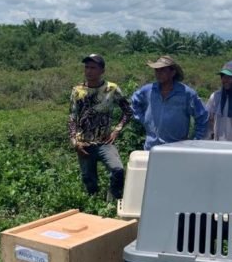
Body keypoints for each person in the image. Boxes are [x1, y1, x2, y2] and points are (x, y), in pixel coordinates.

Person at [68, 54, 133, 201]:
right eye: (87, 67)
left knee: (118, 170)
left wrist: (116, 130)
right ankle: (93, 207)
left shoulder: (111, 89)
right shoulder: (77, 90)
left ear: (102, 70)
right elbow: (72, 117)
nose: (89, 71)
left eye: (93, 68)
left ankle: (113, 201)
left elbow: (128, 111)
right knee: (89, 180)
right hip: (83, 143)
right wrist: (75, 143)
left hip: (105, 142)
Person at [131, 55, 208, 150]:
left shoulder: (186, 93)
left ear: (172, 73)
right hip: (151, 147)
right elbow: (135, 102)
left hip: (177, 148)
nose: (159, 73)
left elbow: (202, 116)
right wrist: (145, 120)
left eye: (163, 70)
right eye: (157, 70)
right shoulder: (149, 90)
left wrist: (194, 141)